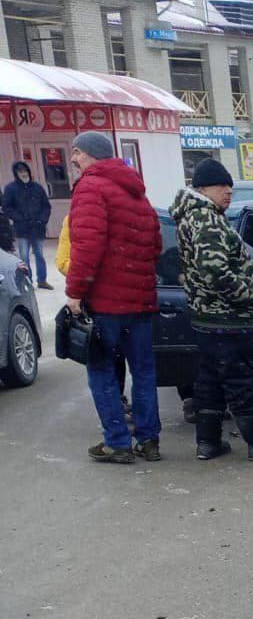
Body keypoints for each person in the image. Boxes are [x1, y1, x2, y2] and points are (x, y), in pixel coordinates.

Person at [170, 158, 253, 462]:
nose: (228, 191)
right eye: (221, 186)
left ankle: (208, 443)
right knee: (240, 380)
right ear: (203, 188)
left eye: (230, 186)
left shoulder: (192, 217)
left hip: (207, 317)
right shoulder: (207, 220)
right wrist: (247, 297)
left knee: (209, 380)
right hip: (227, 317)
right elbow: (215, 272)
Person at [65, 131, 163, 464]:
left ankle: (118, 442)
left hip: (106, 304)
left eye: (76, 153)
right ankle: (149, 441)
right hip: (141, 301)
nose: (73, 160)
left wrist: (75, 292)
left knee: (101, 369)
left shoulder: (90, 188)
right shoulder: (137, 192)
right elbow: (155, 245)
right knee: (144, 371)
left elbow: (86, 247)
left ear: (89, 154)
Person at [58, 213, 132, 419]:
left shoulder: (119, 215)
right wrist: (89, 274)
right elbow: (63, 261)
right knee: (105, 356)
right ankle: (116, 404)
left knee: (121, 354)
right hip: (94, 302)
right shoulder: (72, 220)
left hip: (124, 298)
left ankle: (120, 410)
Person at [3, 161, 53, 289]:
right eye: (20, 171)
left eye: (25, 171)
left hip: (37, 228)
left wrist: (42, 220)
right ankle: (28, 281)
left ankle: (42, 280)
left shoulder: (37, 187)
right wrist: (20, 219)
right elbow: (7, 208)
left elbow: (46, 206)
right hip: (22, 229)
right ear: (16, 173)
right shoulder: (11, 189)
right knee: (24, 257)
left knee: (39, 255)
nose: (23, 174)